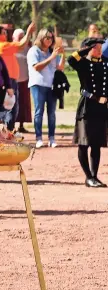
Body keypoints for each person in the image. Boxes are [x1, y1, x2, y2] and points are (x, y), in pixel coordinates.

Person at [67, 37, 107, 188]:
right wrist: (86, 48)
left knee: (96, 144)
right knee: (84, 144)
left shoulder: (105, 63)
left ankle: (94, 177)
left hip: (102, 108)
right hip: (87, 106)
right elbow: (71, 60)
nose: (99, 50)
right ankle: (88, 176)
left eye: (100, 47)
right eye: (96, 47)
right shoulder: (84, 64)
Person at [0, 22, 35, 131]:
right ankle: (9, 130)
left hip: (6, 79)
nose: (6, 34)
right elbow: (21, 45)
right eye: (4, 33)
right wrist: (29, 31)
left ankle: (3, 130)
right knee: (11, 107)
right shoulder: (3, 45)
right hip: (9, 80)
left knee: (6, 106)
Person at [27, 29, 65, 148]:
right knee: (39, 112)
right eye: (47, 37)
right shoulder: (34, 51)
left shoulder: (51, 52)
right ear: (41, 38)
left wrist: (62, 54)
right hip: (38, 84)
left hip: (51, 85)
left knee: (51, 113)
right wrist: (52, 57)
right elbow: (36, 67)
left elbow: (60, 68)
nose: (49, 40)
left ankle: (51, 138)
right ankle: (39, 138)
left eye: (51, 38)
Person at [12, 28, 32, 132]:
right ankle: (12, 126)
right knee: (13, 104)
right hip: (13, 80)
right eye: (19, 37)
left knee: (23, 104)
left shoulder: (28, 48)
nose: (21, 39)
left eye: (22, 37)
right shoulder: (11, 47)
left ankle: (21, 125)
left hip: (25, 79)